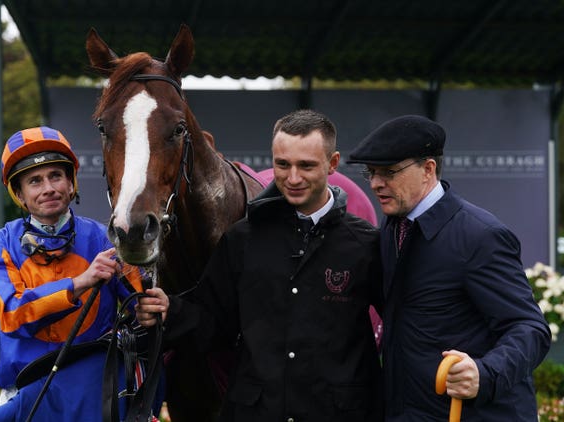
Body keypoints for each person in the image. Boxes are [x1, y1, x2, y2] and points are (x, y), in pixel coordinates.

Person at [137, 109, 384, 421]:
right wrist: (169, 311)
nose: (293, 178)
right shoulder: (242, 238)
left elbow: (406, 324)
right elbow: (213, 320)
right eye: (283, 164)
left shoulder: (367, 243)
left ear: (332, 164)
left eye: (306, 165)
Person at [347, 114, 551, 420]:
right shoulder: (392, 228)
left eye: (389, 172)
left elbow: (531, 329)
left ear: (428, 169)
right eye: (371, 172)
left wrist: (485, 373)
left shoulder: (480, 236)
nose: (376, 183)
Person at [0, 126, 150, 420]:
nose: (48, 188)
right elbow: (11, 313)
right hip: (25, 393)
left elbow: (140, 306)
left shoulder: (107, 240)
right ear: (19, 194)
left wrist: (154, 308)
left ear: (71, 183)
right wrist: (81, 282)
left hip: (93, 396)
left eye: (56, 176)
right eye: (35, 181)